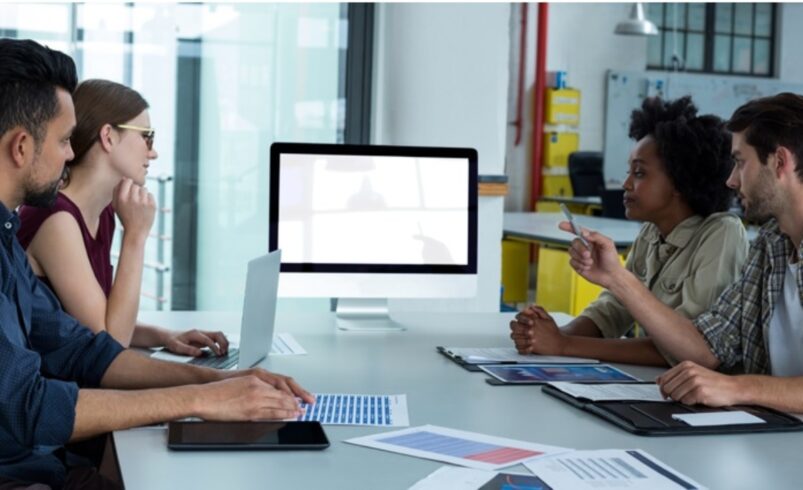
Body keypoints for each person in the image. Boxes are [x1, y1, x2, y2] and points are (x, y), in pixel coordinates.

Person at [0, 39, 313, 489]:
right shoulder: (45, 223)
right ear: (21, 147)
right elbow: (29, 407)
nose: (71, 153)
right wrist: (201, 399)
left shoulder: (7, 240)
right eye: (66, 140)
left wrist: (219, 383)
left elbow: (84, 349)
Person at [563, 92, 803, 412]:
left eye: (740, 162)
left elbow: (723, 375)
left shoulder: (729, 233)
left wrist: (736, 387)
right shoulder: (771, 246)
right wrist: (616, 278)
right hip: (773, 435)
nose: (730, 180)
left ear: (780, 162)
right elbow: (706, 348)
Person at [510, 96, 749, 366]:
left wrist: (565, 345)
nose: (625, 184)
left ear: (680, 182)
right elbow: (614, 308)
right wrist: (552, 335)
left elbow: (689, 348)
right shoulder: (651, 232)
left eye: (639, 173)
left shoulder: (722, 234)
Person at [17, 79, 226, 356]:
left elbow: (101, 317)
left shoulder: (102, 211)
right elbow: (110, 343)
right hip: (54, 391)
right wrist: (136, 237)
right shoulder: (56, 220)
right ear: (108, 137)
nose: (153, 151)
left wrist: (168, 336)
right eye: (146, 136)